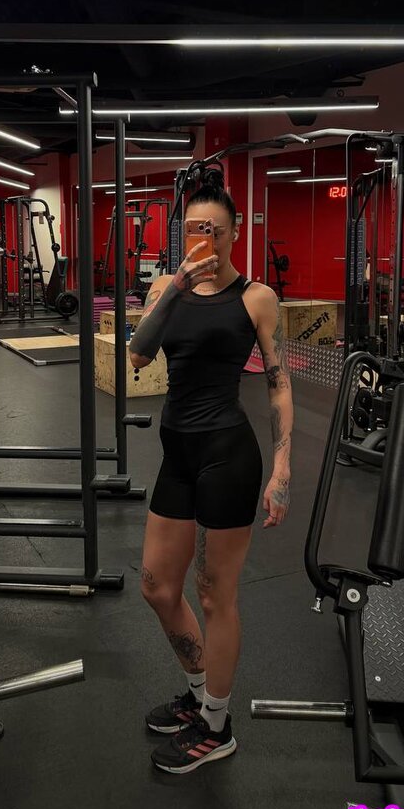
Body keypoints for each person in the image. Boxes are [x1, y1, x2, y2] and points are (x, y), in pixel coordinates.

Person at [129, 172, 294, 774]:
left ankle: (217, 725)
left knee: (213, 594)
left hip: (229, 454)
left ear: (234, 232)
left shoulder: (257, 297)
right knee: (156, 586)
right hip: (177, 454)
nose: (207, 241)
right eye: (196, 230)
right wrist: (175, 287)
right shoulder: (164, 289)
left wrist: (282, 467)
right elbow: (138, 354)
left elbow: (278, 384)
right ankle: (199, 696)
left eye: (216, 231)